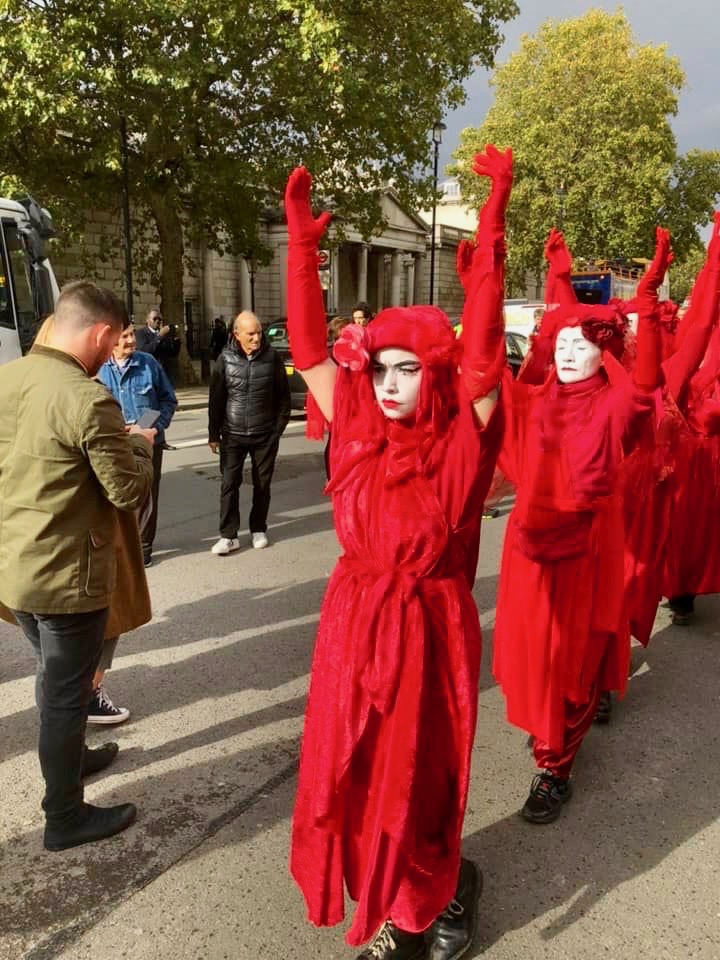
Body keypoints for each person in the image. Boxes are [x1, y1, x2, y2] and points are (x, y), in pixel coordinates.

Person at [284, 146, 509, 960]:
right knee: (356, 775)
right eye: (380, 367)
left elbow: (484, 367)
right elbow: (311, 353)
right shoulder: (356, 429)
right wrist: (301, 252)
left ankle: (427, 908)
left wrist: (492, 231)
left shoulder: (460, 444)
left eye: (407, 370)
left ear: (433, 374)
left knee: (418, 783)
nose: (386, 383)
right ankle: (405, 896)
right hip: (354, 626)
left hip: (428, 630)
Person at [491, 229, 670, 825]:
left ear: (604, 352)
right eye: (560, 344)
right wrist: (504, 262)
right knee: (537, 657)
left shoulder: (616, 404)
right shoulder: (537, 399)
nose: (567, 353)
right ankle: (551, 729)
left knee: (574, 661)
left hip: (587, 553)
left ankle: (556, 767)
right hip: (529, 553)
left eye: (582, 344)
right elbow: (490, 379)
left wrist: (648, 298)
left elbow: (645, 386)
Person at [0, 281, 155, 851]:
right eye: (112, 342)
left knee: (53, 679)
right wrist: (140, 443)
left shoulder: (7, 378)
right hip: (68, 579)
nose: (111, 352)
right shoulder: (87, 399)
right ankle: (63, 816)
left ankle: (73, 760)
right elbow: (127, 490)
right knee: (65, 697)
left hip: (14, 568)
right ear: (101, 333)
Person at [208, 310, 291, 555]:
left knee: (262, 485)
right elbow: (216, 400)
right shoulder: (225, 359)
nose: (257, 338)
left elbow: (283, 399)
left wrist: (276, 432)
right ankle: (228, 536)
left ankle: (258, 529)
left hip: (265, 434)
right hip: (232, 435)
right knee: (228, 484)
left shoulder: (272, 358)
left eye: (259, 333)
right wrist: (213, 434)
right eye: (251, 334)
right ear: (237, 334)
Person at [97, 318, 177, 569]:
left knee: (146, 495)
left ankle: (143, 548)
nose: (132, 340)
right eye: (125, 336)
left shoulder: (148, 363)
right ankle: (119, 545)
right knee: (115, 495)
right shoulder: (98, 369)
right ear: (111, 340)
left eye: (132, 334)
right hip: (114, 444)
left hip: (148, 442)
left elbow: (167, 400)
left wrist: (150, 427)